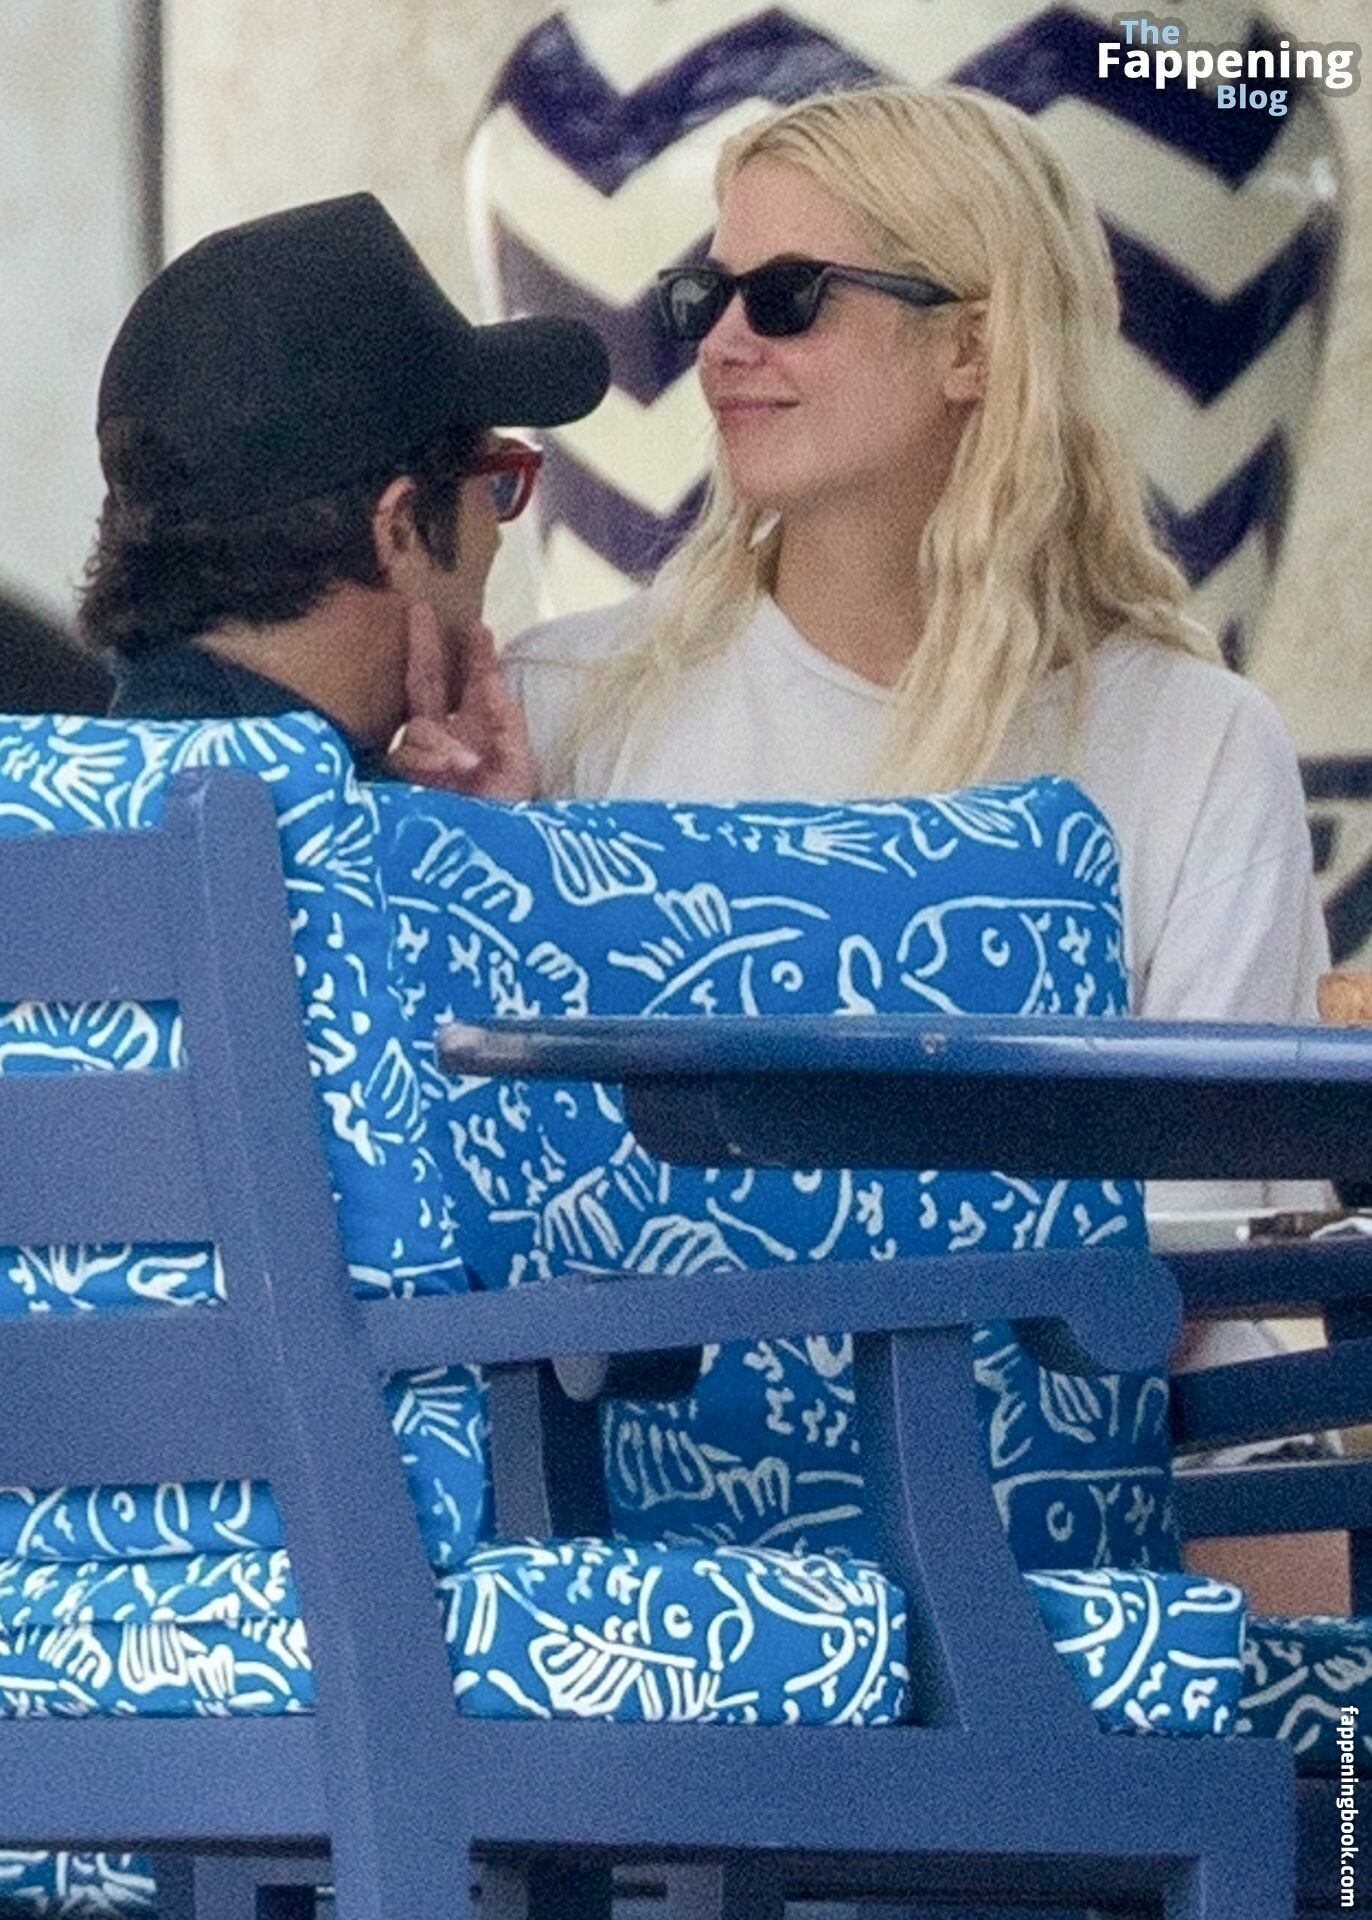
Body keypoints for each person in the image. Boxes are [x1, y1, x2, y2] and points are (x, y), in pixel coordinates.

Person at [496, 83, 1339, 1608]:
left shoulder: (1193, 741)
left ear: (976, 346)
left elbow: (1209, 1267)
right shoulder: (566, 706)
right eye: (702, 296)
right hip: (652, 1524)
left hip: (1061, 1498)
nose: (720, 343)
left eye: (789, 297)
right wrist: (474, 852)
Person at [85, 191, 608, 794]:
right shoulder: (368, 839)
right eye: (496, 480)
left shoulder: (55, 799)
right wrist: (465, 844)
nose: (493, 536)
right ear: (400, 528)